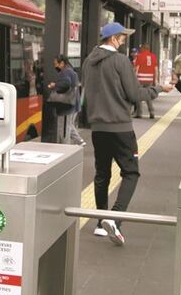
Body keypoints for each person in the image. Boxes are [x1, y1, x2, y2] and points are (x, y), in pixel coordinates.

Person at [82, 22, 154, 246]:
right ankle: (115, 218)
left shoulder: (88, 62)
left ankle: (100, 221)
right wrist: (157, 90)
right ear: (113, 39)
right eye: (122, 37)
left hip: (98, 129)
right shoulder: (120, 61)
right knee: (131, 173)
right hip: (121, 128)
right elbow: (134, 94)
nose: (123, 41)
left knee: (102, 174)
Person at [47, 54, 85, 146]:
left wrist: (54, 85)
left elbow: (65, 84)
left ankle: (67, 148)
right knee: (68, 126)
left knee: (64, 130)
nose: (55, 66)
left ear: (62, 63)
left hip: (65, 107)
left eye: (56, 64)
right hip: (72, 104)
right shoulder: (71, 70)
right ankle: (79, 141)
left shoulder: (65, 72)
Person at [133, 47, 159, 119]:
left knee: (138, 95)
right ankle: (151, 112)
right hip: (149, 79)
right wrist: (155, 79)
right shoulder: (153, 56)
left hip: (140, 78)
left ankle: (139, 113)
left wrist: (134, 78)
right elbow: (156, 69)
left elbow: (137, 68)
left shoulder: (139, 56)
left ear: (143, 48)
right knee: (148, 95)